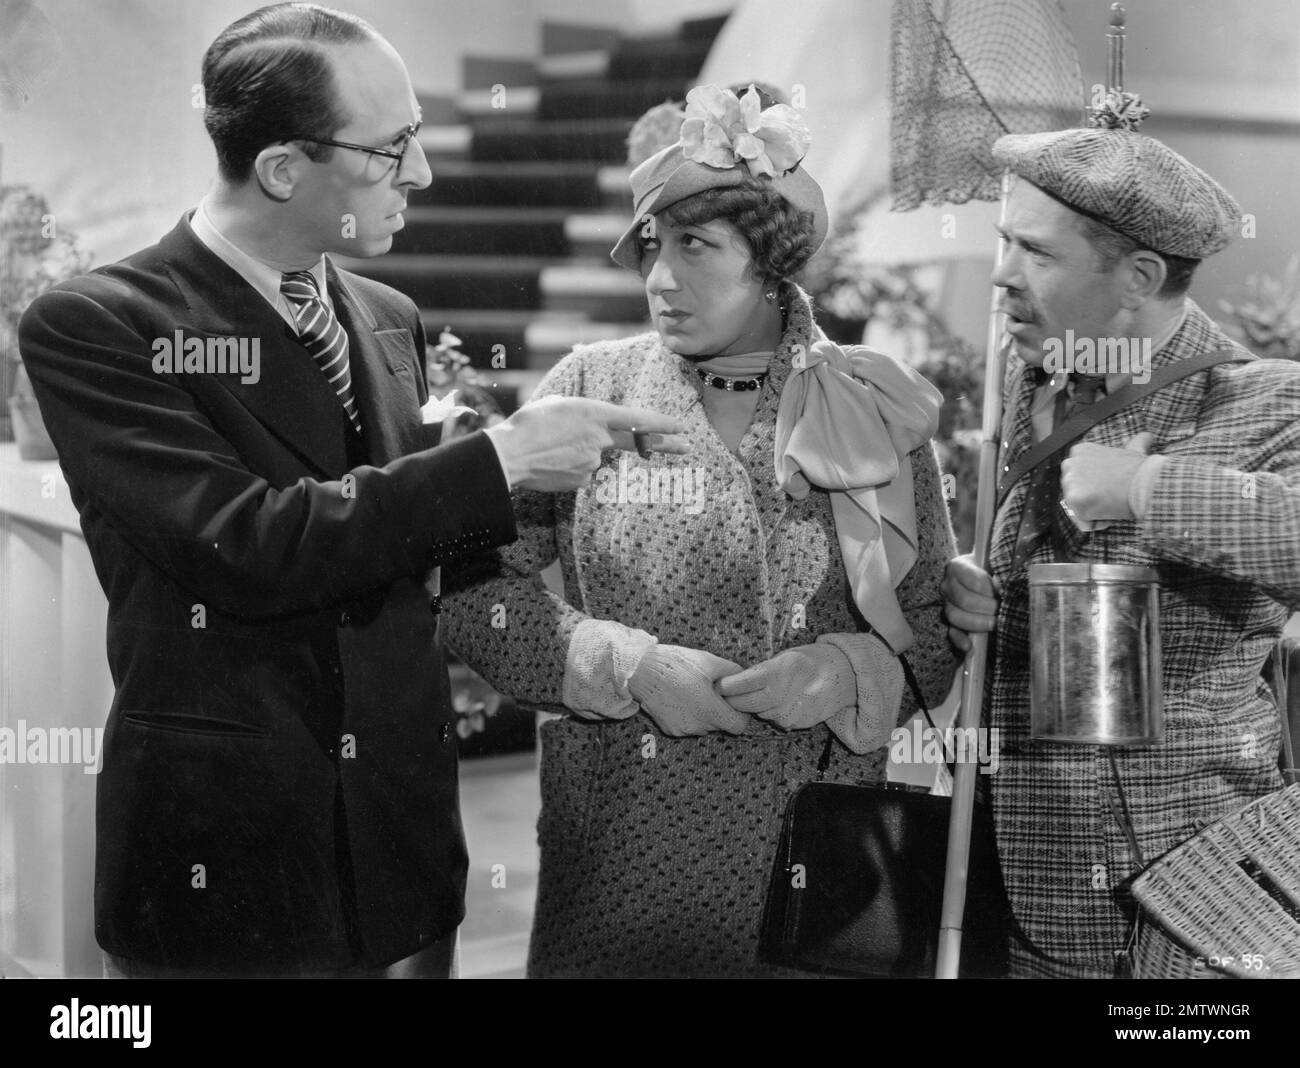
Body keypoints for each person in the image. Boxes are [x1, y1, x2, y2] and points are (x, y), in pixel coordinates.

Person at [17, 2, 684, 979]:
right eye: (393, 148)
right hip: (232, 850)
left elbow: (419, 551)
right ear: (284, 169)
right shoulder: (100, 322)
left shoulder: (385, 315)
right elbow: (247, 545)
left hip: (399, 843)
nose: (422, 173)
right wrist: (496, 463)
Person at [443, 84, 957, 977]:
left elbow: (931, 626)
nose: (659, 279)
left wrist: (839, 672)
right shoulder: (593, 386)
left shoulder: (868, 402)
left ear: (772, 264)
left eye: (695, 247)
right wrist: (623, 663)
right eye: (652, 246)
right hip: (618, 851)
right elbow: (473, 589)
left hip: (811, 862)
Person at [942, 120, 1299, 978]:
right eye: (1003, 242)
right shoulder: (1026, 389)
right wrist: (979, 600)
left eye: (1037, 252)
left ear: (1139, 277)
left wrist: (1146, 489)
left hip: (1190, 903)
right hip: (1012, 879)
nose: (1001, 273)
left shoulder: (1265, 403)